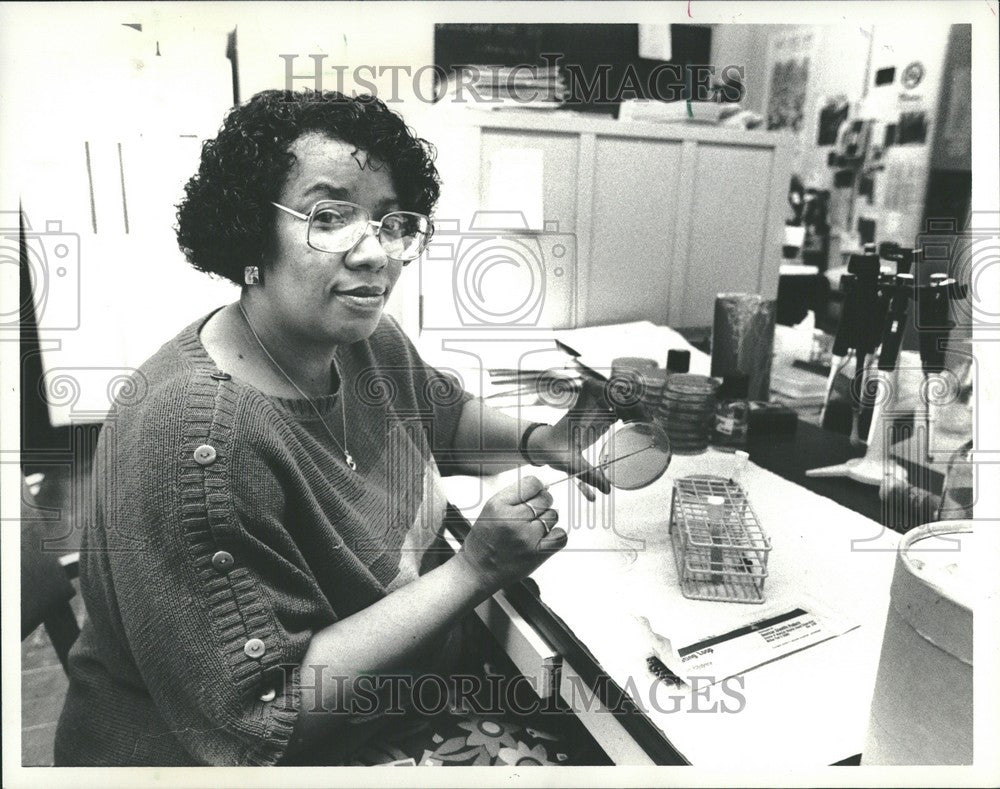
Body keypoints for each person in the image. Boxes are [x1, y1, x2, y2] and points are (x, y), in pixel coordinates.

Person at [54, 89, 614, 766]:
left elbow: (437, 415)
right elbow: (262, 720)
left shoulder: (357, 340)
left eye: (390, 221)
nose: (375, 253)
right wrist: (475, 569)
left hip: (399, 696)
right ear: (249, 229)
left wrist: (541, 441)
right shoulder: (196, 439)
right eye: (328, 216)